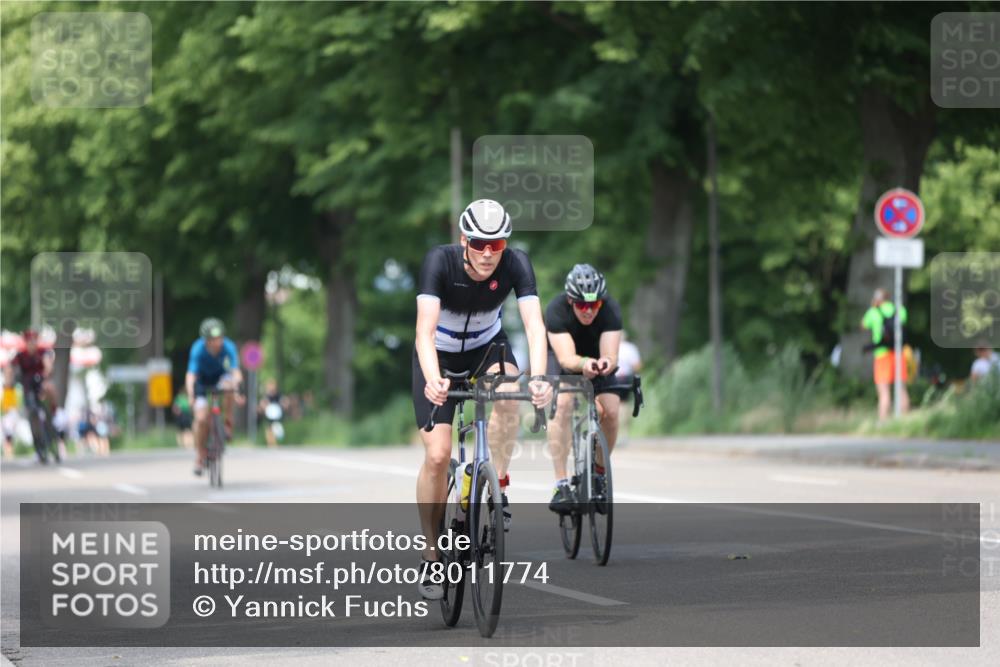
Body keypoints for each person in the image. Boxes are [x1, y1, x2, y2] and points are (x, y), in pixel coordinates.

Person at [413, 199, 551, 600]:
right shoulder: (439, 262)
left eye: (498, 244)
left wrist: (540, 378)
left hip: (487, 348)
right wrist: (434, 377)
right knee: (437, 456)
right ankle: (431, 553)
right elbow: (424, 332)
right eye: (479, 243)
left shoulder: (517, 263)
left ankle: (496, 480)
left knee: (511, 391)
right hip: (437, 353)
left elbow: (534, 325)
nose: (489, 252)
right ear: (463, 240)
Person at [544, 264, 622, 513]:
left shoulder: (610, 309)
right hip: (568, 365)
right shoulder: (557, 310)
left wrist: (605, 363)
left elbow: (611, 354)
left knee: (610, 410)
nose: (589, 311)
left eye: (594, 305)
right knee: (564, 406)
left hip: (598, 365)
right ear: (570, 301)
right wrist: (584, 363)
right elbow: (567, 358)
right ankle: (561, 484)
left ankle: (599, 472)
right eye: (582, 306)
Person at [186, 318, 242, 476]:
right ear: (206, 340)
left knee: (230, 386)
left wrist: (238, 390)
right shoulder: (198, 349)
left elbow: (235, 371)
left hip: (220, 378)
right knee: (201, 419)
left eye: (220, 338)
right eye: (214, 339)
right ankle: (200, 455)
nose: (218, 342)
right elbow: (191, 375)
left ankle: (227, 423)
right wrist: (191, 395)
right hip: (202, 383)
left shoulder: (228, 347)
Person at [861, 288, 909, 420]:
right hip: (898, 353)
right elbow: (904, 322)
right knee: (901, 389)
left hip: (882, 354)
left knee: (884, 391)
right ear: (888, 298)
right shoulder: (899, 310)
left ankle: (883, 422)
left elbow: (863, 325)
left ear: (876, 299)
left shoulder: (873, 311)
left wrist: (873, 307)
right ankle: (904, 422)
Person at [258, 378, 289, 447]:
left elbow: (284, 400)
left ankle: (275, 441)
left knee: (277, 428)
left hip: (277, 414)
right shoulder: (267, 396)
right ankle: (271, 443)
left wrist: (285, 404)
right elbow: (263, 402)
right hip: (270, 415)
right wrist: (263, 407)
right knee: (269, 428)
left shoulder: (278, 395)